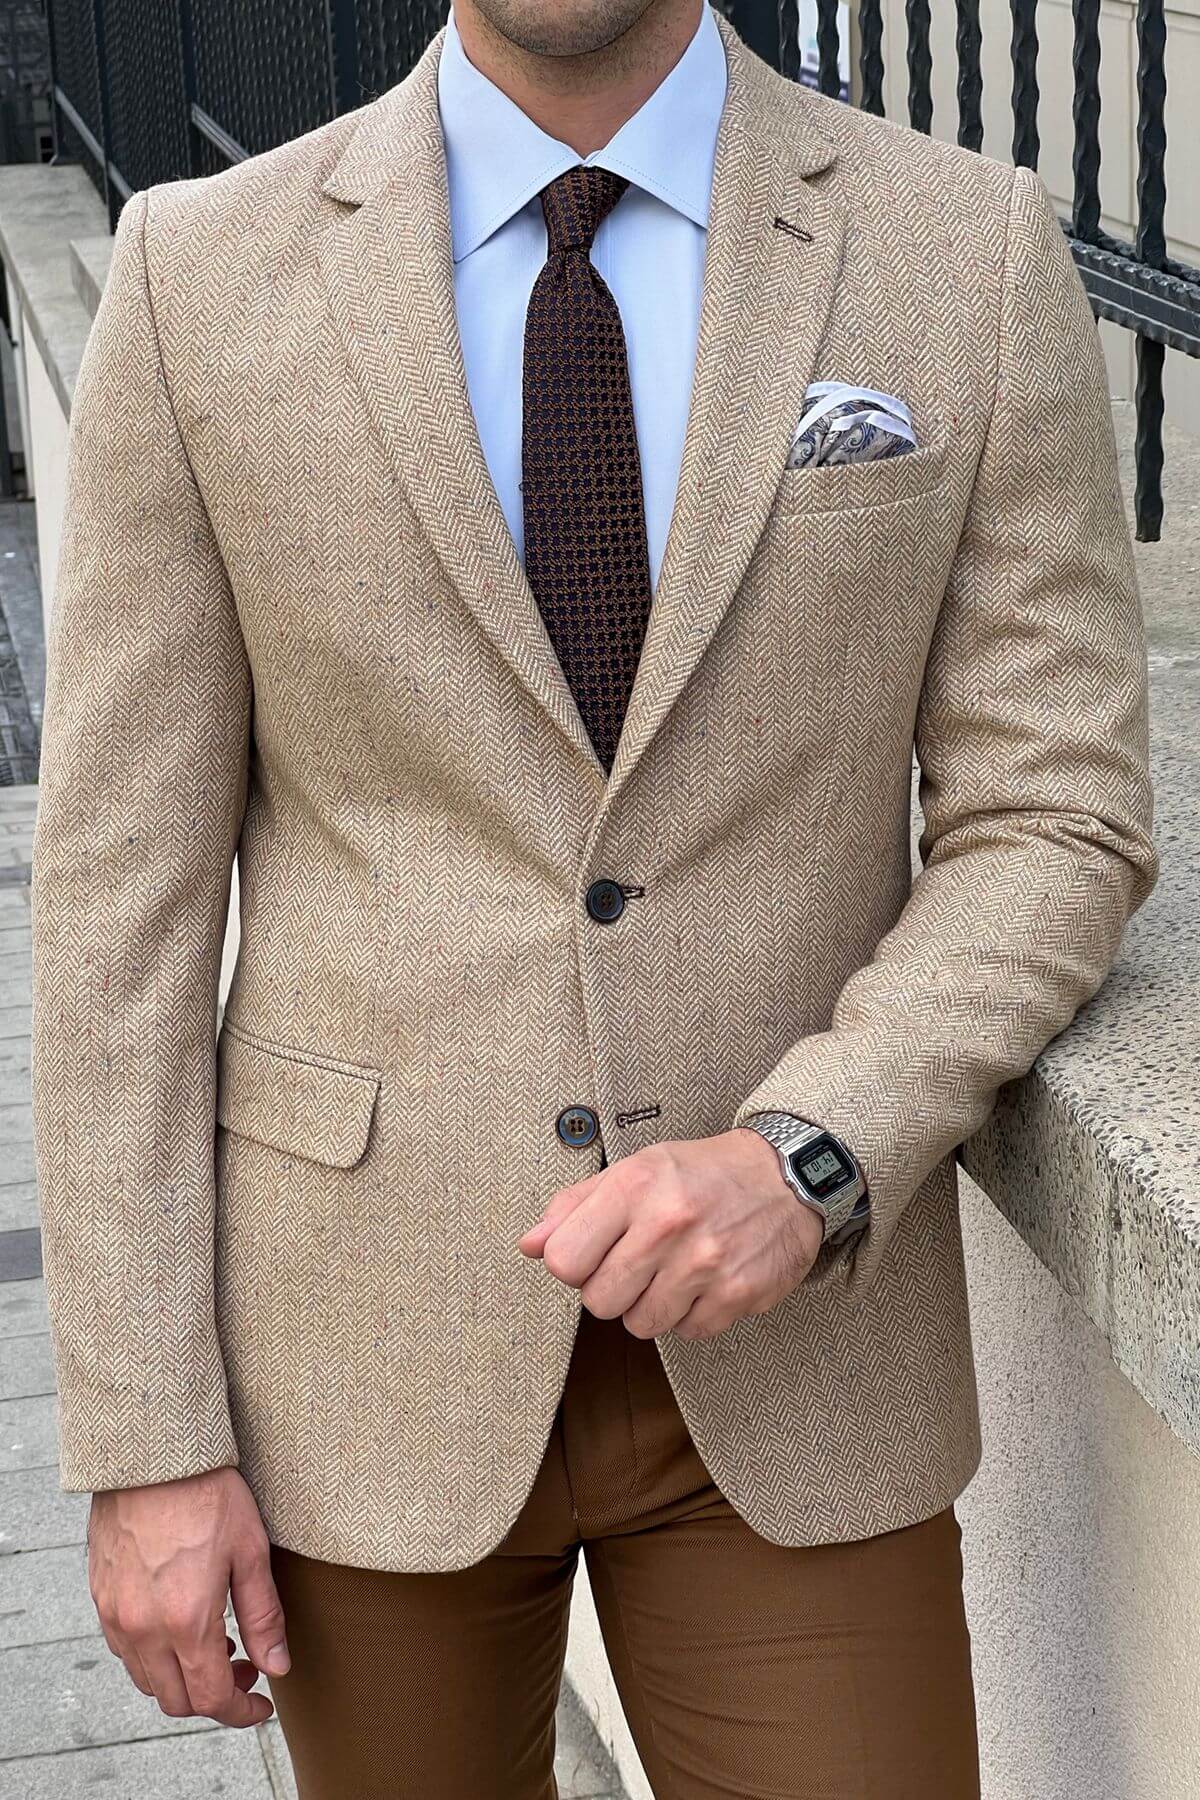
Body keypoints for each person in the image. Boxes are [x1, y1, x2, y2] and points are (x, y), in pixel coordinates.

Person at [30, 2, 1157, 1795]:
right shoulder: (199, 278)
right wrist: (146, 1437)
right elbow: (118, 921)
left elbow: (1057, 813)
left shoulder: (965, 246)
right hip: (358, 1355)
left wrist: (813, 1152)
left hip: (803, 1357)